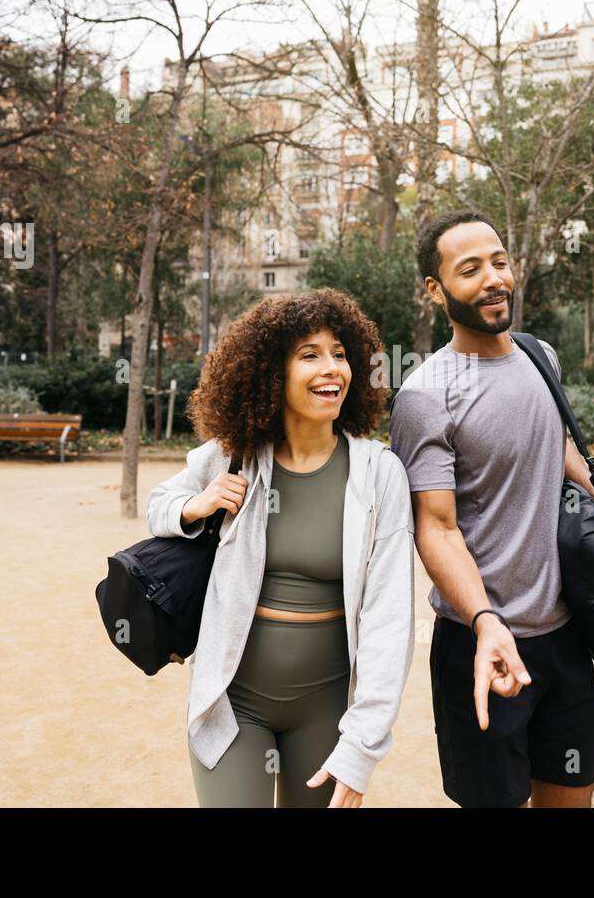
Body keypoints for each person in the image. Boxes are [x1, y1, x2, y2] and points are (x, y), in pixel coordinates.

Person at [390, 210, 594, 808]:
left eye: (499, 262)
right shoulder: (425, 395)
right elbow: (437, 527)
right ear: (436, 289)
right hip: (478, 643)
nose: (493, 278)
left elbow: (554, 449)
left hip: (563, 636)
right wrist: (484, 621)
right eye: (470, 269)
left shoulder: (540, 356)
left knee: (573, 795)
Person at [146, 289, 415, 807]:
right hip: (233, 705)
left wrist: (362, 745)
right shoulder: (237, 456)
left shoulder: (379, 473)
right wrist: (196, 506)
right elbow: (161, 503)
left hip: (327, 710)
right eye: (309, 354)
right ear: (272, 372)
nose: (330, 368)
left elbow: (389, 619)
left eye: (339, 353)